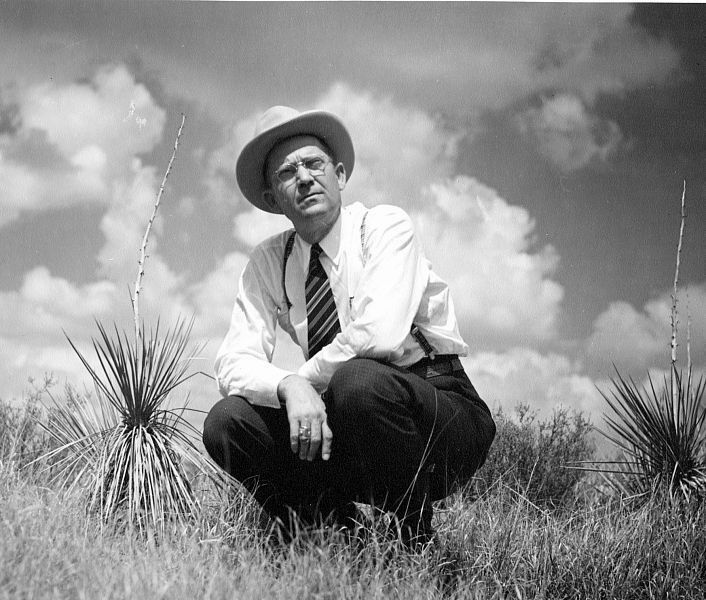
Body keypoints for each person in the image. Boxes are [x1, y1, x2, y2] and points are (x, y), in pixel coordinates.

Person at [203, 105, 496, 548]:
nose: (303, 178)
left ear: (339, 175)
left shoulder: (383, 227)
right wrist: (286, 389)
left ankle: (413, 544)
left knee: (358, 382)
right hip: (342, 420)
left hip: (434, 413)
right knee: (227, 422)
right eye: (286, 172)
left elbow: (377, 337)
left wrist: (298, 383)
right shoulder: (267, 262)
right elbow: (232, 363)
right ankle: (339, 537)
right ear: (271, 199)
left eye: (314, 164)